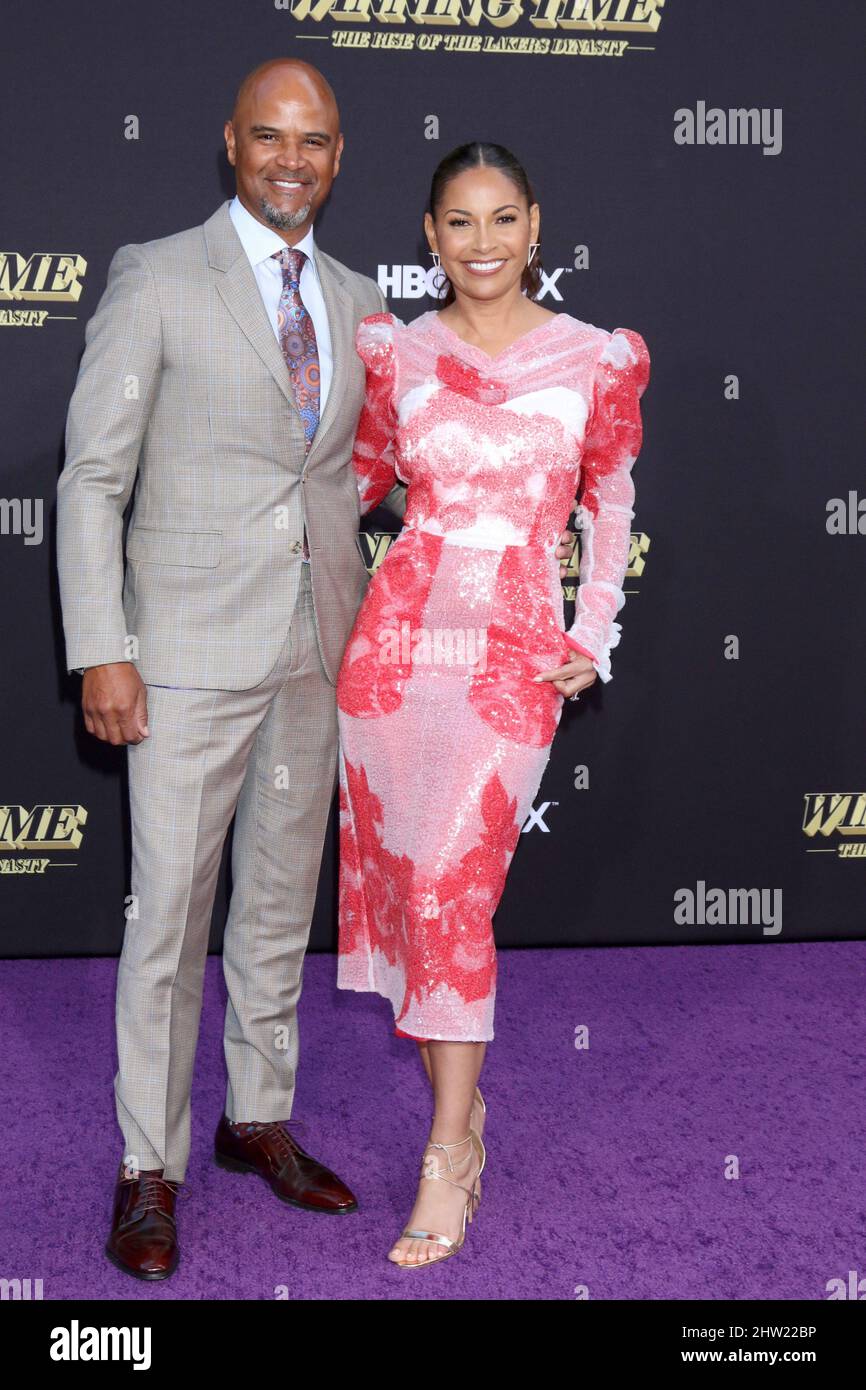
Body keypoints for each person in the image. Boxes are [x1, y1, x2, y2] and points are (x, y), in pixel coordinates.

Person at [55, 58, 412, 1281]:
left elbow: (370, 473)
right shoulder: (156, 273)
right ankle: (145, 1165)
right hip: (186, 654)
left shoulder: (363, 299)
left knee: (275, 905)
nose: (289, 159)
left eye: (311, 141)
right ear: (229, 144)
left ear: (338, 154)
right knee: (167, 916)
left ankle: (255, 1114)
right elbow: (94, 477)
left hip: (317, 646)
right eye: (268, 137)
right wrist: (104, 645)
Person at [335, 141, 651, 1268]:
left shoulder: (592, 357)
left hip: (510, 653)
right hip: (394, 654)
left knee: (453, 891)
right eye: (458, 223)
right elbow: (352, 480)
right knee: (409, 890)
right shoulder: (394, 353)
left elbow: (607, 498)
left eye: (501, 219)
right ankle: (463, 1121)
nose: (481, 243)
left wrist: (591, 628)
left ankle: (443, 1153)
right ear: (429, 236)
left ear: (534, 227)